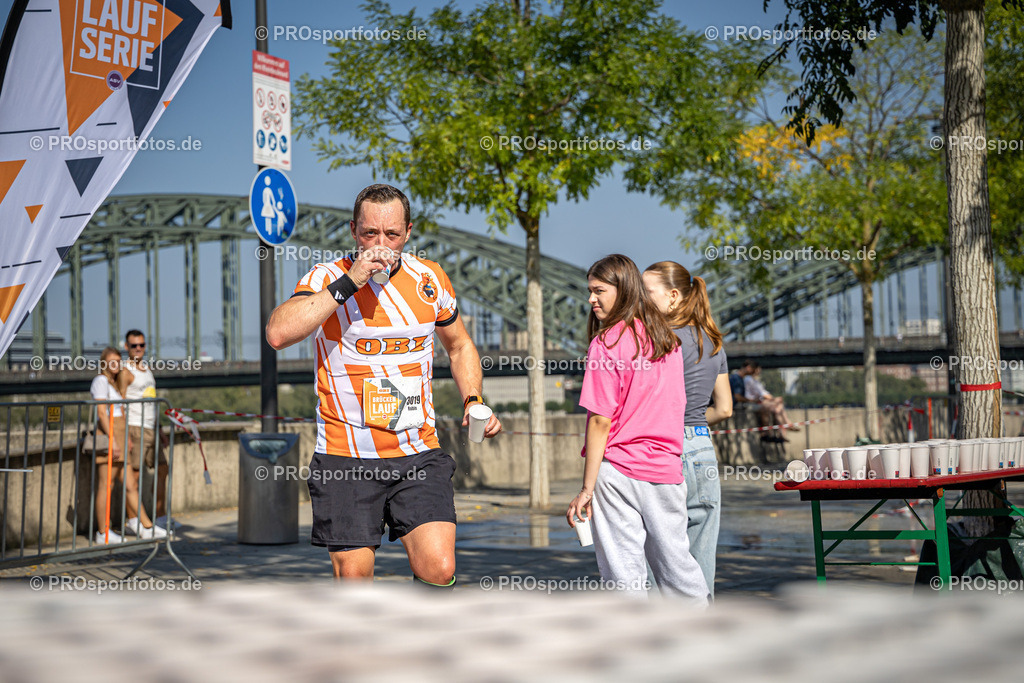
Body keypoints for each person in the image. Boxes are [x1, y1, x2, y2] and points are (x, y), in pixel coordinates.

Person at [265, 183, 501, 588]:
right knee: (355, 580)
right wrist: (349, 282)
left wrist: (473, 399)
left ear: (408, 232)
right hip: (346, 457)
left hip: (417, 451)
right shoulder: (327, 276)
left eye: (391, 235)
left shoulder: (429, 278)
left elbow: (460, 345)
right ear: (354, 230)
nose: (381, 244)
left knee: (439, 568)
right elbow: (278, 333)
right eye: (370, 233)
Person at [565, 254, 708, 604]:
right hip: (665, 470)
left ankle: (633, 641)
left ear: (623, 289)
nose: (591, 299)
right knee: (676, 565)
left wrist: (587, 488)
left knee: (623, 573)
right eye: (589, 291)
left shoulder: (606, 343)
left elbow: (600, 420)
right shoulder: (667, 342)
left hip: (618, 473)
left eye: (599, 290)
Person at [643, 261, 731, 597]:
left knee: (658, 553)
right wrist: (691, 423)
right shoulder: (713, 341)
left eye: (648, 293)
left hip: (662, 450)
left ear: (674, 296)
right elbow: (724, 409)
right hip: (701, 449)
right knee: (701, 553)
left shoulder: (659, 342)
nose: (641, 301)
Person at [118, 330, 168, 538]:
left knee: (163, 468)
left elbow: (153, 400)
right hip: (135, 427)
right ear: (126, 347)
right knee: (134, 476)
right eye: (133, 346)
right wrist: (125, 435)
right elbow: (120, 401)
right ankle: (134, 521)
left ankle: (160, 516)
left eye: (141, 345)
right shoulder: (125, 371)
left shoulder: (147, 370)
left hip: (151, 428)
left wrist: (160, 429)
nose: (138, 349)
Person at [743, 362, 798, 439]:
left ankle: (781, 432)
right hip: (753, 402)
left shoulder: (755, 380)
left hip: (758, 402)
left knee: (777, 409)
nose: (760, 371)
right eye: (759, 369)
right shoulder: (749, 379)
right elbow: (762, 393)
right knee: (778, 405)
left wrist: (773, 399)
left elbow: (763, 393)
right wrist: (774, 399)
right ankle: (786, 425)